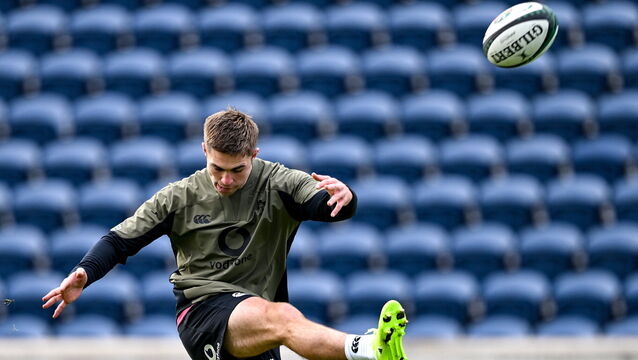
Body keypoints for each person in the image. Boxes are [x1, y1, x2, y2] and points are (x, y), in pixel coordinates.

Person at [42, 108, 408, 360]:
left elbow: (321, 205)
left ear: (254, 154)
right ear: (204, 150)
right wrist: (86, 272)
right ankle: (371, 348)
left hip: (256, 320)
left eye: (238, 170)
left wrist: (346, 199)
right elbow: (120, 241)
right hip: (202, 312)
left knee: (277, 318)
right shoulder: (178, 196)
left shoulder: (278, 181)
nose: (226, 180)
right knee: (282, 317)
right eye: (217, 168)